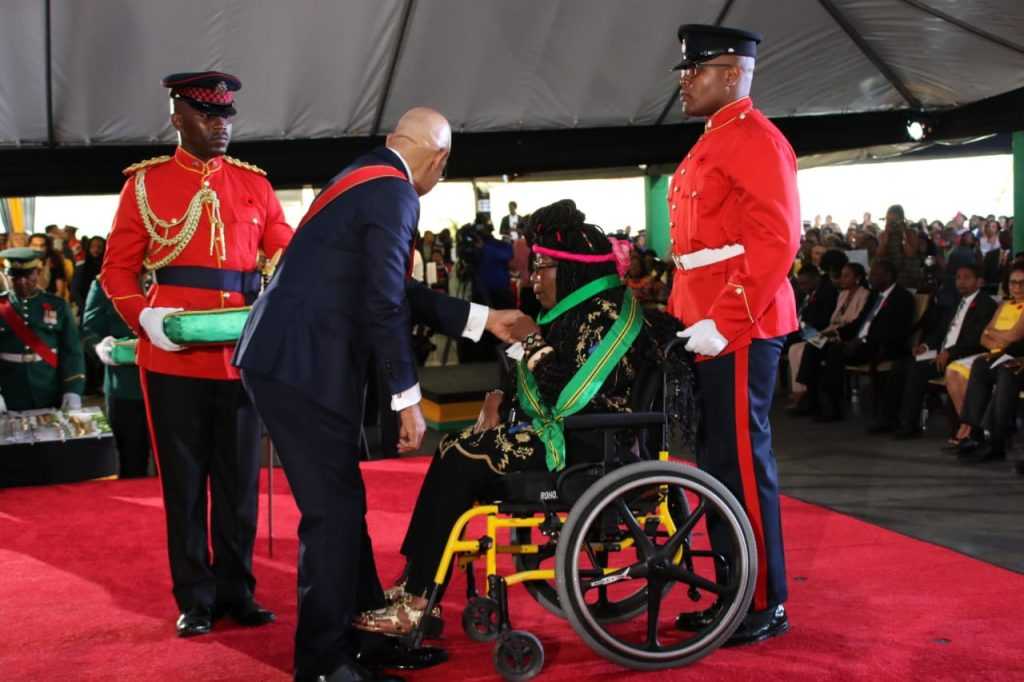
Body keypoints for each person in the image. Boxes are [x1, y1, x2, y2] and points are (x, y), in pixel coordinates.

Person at [235, 107, 529, 682]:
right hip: (300, 368)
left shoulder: (364, 175)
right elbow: (384, 304)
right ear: (439, 161)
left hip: (291, 361)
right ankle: (322, 662)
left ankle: (366, 636)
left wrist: (481, 317)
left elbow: (389, 285)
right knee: (331, 514)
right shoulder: (395, 193)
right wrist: (407, 397)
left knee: (342, 505)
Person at [354, 199, 683, 637]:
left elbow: (568, 395)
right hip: (574, 438)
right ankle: (418, 582)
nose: (531, 279)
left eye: (541, 268)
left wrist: (530, 339)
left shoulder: (605, 317)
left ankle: (418, 600)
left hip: (590, 447)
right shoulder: (577, 314)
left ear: (568, 271)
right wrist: (495, 397)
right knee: (455, 447)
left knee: (461, 458)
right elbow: (538, 381)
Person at [101, 71, 293, 638]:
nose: (222, 125)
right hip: (173, 359)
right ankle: (196, 598)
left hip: (237, 357)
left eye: (227, 115)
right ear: (177, 116)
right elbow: (117, 270)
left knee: (238, 484)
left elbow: (281, 243)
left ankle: (238, 592)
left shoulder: (254, 185)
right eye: (208, 115)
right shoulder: (143, 186)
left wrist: (292, 268)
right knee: (183, 486)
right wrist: (146, 320)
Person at [666, 24, 800, 644]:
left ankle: (762, 601)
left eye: (695, 71)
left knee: (743, 464)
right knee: (717, 465)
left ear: (732, 74)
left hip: (739, 324)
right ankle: (732, 593)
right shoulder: (711, 142)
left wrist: (724, 321)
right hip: (707, 320)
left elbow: (776, 240)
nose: (684, 82)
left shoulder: (754, 139)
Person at [800, 259, 915, 425]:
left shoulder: (902, 298)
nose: (870, 278)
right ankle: (811, 400)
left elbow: (895, 330)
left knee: (835, 352)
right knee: (814, 345)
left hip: (879, 345)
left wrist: (862, 340)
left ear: (888, 276)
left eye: (875, 274)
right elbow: (860, 321)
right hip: (857, 340)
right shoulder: (876, 295)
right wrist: (838, 332)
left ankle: (834, 407)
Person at [891, 264, 996, 439]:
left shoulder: (986, 304)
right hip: (940, 353)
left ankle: (908, 425)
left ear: (979, 282)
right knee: (901, 365)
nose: (961, 282)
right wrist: (925, 346)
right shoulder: (957, 302)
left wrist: (950, 353)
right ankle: (894, 418)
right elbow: (940, 331)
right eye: (958, 278)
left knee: (917, 371)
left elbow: (976, 339)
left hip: (962, 356)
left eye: (966, 278)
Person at [944, 265, 1024, 448]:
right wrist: (997, 339)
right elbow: (983, 336)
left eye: (1022, 283)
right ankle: (970, 427)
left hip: (1009, 356)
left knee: (981, 371)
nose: (1017, 287)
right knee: (954, 370)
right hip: (992, 352)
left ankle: (979, 432)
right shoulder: (1004, 304)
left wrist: (995, 335)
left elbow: (1014, 336)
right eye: (1013, 283)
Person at [81, 279, 152, 477]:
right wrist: (101, 347)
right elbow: (90, 329)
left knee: (178, 464)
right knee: (131, 461)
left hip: (173, 386)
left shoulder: (171, 273)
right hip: (126, 385)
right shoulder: (104, 282)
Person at [0, 248, 84, 413]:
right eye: (15, 276)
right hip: (9, 389)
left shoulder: (57, 305)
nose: (22, 282)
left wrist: (73, 389)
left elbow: (72, 351)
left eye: (27, 275)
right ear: (6, 276)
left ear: (37, 274)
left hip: (49, 386)